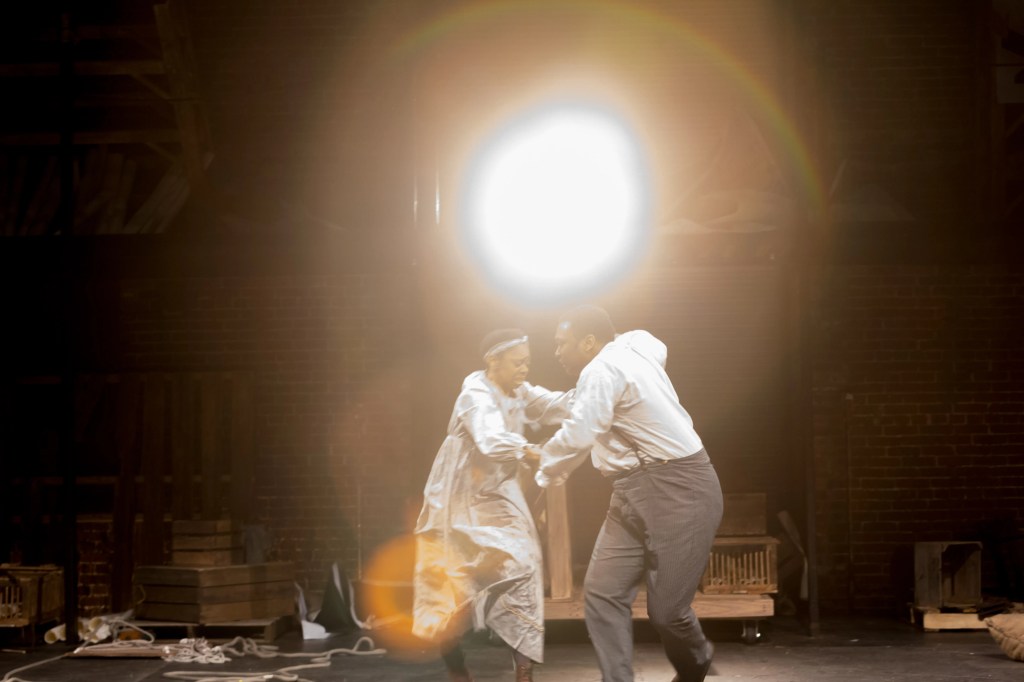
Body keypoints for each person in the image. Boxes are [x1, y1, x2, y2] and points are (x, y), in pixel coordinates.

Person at [527, 304, 723, 682]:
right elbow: (576, 404)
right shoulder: (634, 346)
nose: (557, 351)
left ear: (589, 342)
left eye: (563, 343)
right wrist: (525, 397)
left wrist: (545, 473)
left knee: (668, 613)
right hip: (631, 491)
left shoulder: (602, 370)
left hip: (679, 489)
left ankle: (696, 661)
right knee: (602, 593)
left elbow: (580, 432)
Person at [412, 328, 573, 682]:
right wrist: (527, 450)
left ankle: (524, 669)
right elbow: (490, 438)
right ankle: (456, 667)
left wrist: (597, 396)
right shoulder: (474, 394)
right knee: (452, 583)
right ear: (493, 361)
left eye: (527, 362)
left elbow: (553, 405)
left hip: (498, 493)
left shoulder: (519, 391)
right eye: (517, 362)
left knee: (525, 563)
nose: (524, 369)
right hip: (458, 497)